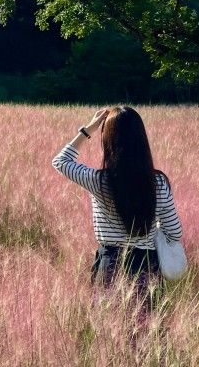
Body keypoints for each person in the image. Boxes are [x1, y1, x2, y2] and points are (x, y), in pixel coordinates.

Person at [52, 106, 182, 306]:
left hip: (109, 265)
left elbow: (61, 161)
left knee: (110, 333)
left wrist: (89, 129)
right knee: (147, 331)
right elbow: (174, 233)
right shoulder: (158, 183)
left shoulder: (98, 180)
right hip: (146, 267)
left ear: (108, 141)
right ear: (142, 140)